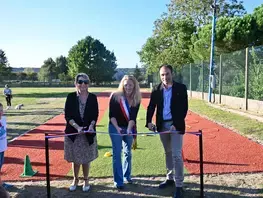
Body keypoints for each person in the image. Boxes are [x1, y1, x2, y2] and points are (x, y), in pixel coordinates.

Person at [146, 64, 188, 198]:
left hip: (175, 126)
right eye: (162, 75)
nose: (165, 77)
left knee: (176, 155)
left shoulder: (181, 88)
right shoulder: (156, 89)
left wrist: (176, 124)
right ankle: (170, 178)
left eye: (167, 74)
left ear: (172, 74)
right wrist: (148, 122)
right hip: (162, 126)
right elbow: (151, 106)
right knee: (168, 153)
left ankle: (179, 185)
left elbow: (184, 108)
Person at [64, 73, 99, 192]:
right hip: (74, 133)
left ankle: (86, 179)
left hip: (88, 133)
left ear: (88, 84)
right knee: (75, 158)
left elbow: (95, 115)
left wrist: (91, 126)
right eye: (80, 81)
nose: (83, 84)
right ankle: (75, 179)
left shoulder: (93, 97)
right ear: (76, 83)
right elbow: (67, 116)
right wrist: (77, 127)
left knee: (86, 158)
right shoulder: (70, 97)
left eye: (85, 82)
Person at [108, 75, 141, 189]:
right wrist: (118, 129)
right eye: (126, 85)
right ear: (122, 85)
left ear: (134, 86)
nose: (128, 87)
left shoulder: (136, 99)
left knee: (128, 153)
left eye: (131, 85)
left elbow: (133, 117)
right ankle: (118, 181)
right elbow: (112, 116)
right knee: (117, 153)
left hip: (128, 127)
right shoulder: (115, 96)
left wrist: (128, 129)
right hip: (115, 126)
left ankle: (127, 176)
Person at [0, 103, 13, 190]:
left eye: (1, 110)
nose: (1, 112)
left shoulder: (2, 120)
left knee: (0, 165)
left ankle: (1, 183)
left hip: (2, 148)